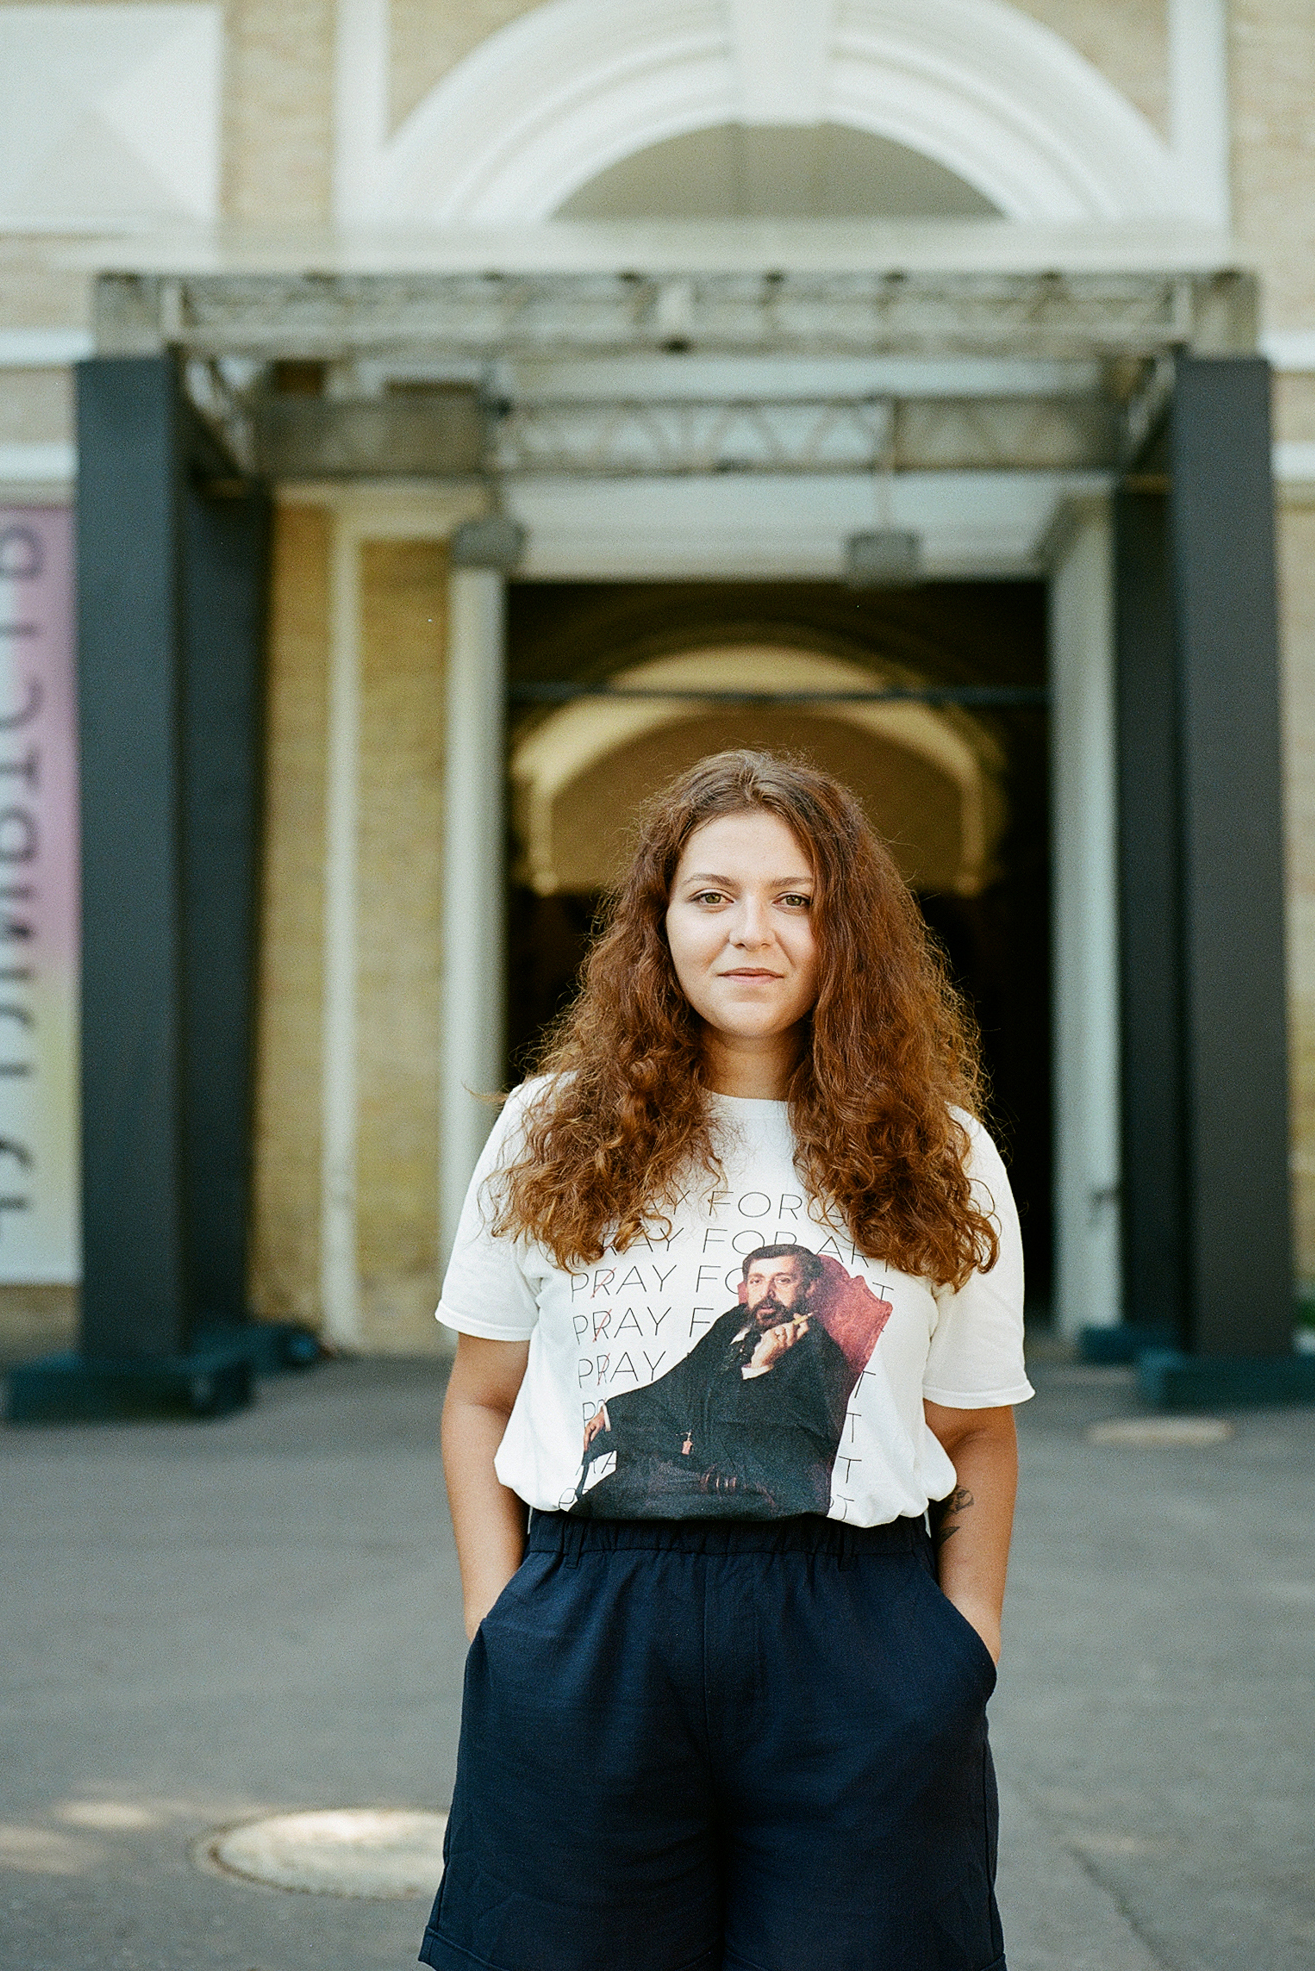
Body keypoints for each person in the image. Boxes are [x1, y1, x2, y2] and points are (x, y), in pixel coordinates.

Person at [423, 749, 1031, 1971]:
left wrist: (961, 1644)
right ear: (657, 923)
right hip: (591, 1629)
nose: (751, 930)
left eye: (795, 898)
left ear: (847, 930)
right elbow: (481, 1398)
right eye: (711, 895)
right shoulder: (548, 1128)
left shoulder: (941, 1150)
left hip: (856, 1633)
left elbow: (972, 1428)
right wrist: (501, 1627)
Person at [575, 1241, 855, 1516]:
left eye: (782, 1280)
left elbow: (781, 1447)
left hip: (747, 1488)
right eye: (756, 1281)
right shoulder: (735, 1321)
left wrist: (760, 1368)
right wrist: (611, 1412)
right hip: (692, 1467)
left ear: (809, 1287)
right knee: (609, 1494)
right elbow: (685, 1378)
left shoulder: (820, 1354)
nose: (766, 1293)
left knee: (619, 1499)